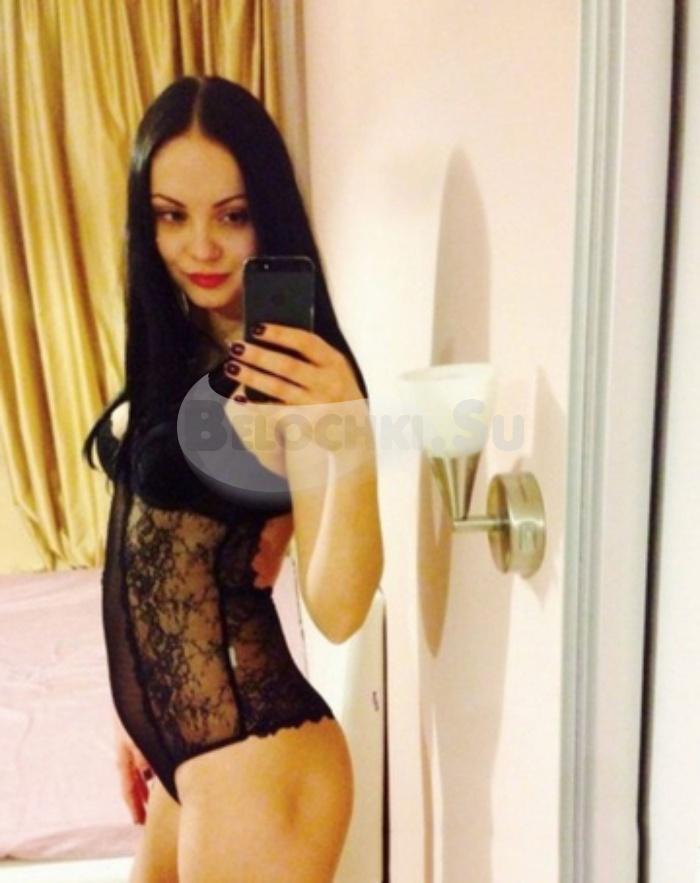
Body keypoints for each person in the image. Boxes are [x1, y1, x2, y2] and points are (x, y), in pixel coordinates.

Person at [83, 75, 384, 883]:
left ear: (269, 214)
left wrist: (350, 432)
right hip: (194, 750)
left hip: (258, 756)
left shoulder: (296, 375)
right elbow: (154, 553)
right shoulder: (180, 338)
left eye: (232, 214)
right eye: (171, 216)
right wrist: (138, 705)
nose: (201, 248)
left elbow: (339, 609)